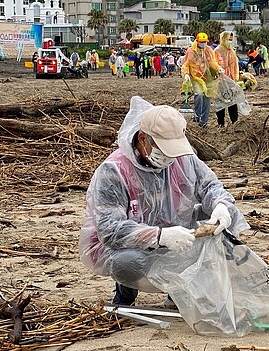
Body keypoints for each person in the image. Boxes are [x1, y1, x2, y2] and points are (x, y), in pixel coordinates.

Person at [79, 97, 249, 306]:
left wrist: (221, 206)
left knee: (223, 227)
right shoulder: (114, 171)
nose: (170, 157)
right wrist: (159, 236)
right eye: (163, 149)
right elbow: (109, 229)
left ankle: (178, 291)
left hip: (179, 233)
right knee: (129, 262)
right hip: (136, 246)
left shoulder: (183, 159)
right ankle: (125, 292)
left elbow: (210, 186)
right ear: (143, 139)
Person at [181, 32, 222, 128]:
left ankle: (203, 122)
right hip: (196, 78)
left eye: (205, 42)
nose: (203, 44)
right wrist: (186, 74)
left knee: (207, 98)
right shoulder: (191, 51)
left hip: (208, 78)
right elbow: (186, 64)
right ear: (197, 41)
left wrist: (218, 68)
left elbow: (212, 62)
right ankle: (197, 114)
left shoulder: (208, 50)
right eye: (201, 42)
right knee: (199, 95)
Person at [214, 31, 240, 127]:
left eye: (231, 40)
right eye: (228, 39)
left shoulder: (231, 51)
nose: (229, 42)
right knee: (221, 101)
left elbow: (236, 66)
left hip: (231, 81)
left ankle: (234, 122)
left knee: (232, 102)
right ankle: (221, 123)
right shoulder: (217, 51)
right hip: (220, 81)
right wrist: (218, 69)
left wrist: (236, 78)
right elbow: (213, 64)